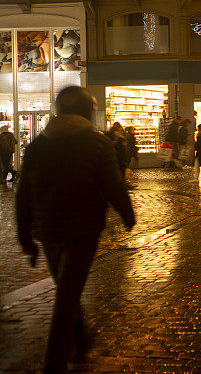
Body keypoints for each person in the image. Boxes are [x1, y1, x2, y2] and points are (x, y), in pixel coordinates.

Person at [15, 86, 135, 373]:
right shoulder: (97, 144)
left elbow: (23, 193)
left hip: (49, 232)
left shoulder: (38, 146)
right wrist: (127, 214)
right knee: (67, 296)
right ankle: (54, 363)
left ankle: (81, 339)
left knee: (66, 291)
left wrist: (25, 237)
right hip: (83, 230)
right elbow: (112, 184)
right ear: (87, 111)